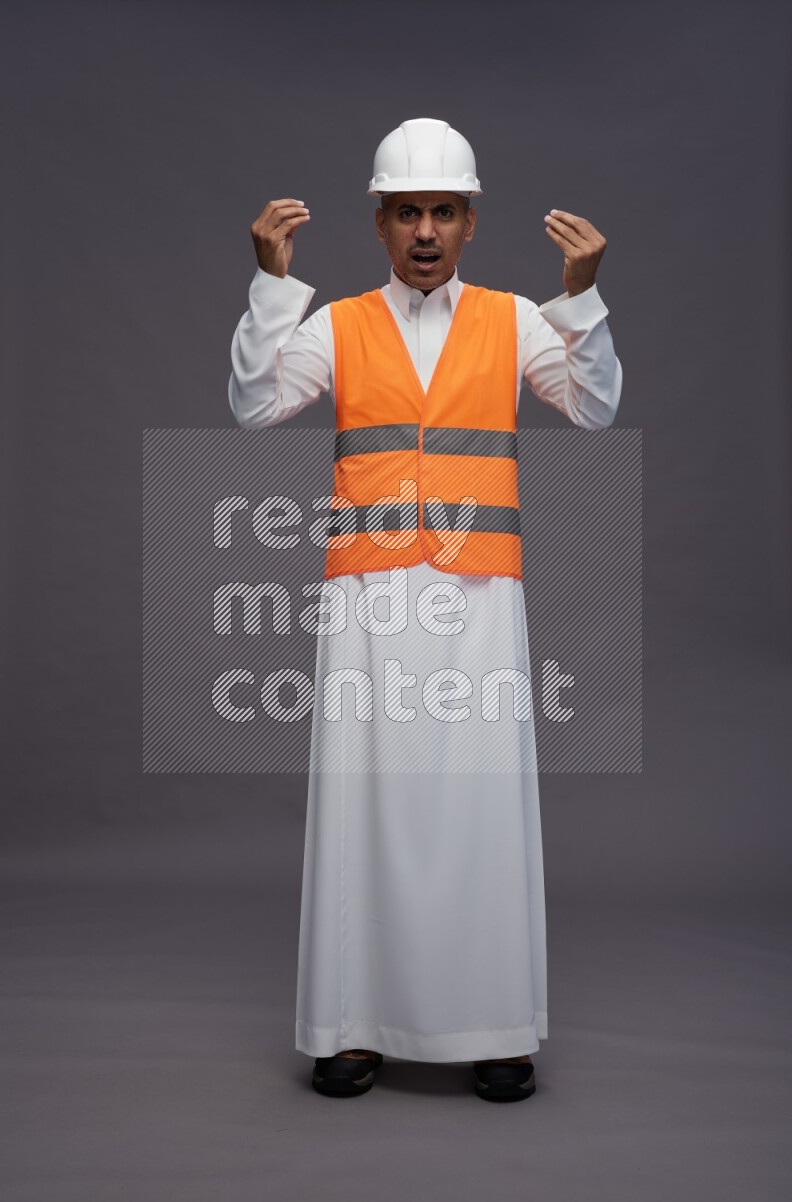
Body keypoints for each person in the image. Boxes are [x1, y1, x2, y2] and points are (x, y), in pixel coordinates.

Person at [228, 118, 622, 1103]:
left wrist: (579, 302)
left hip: (479, 594)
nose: (424, 229)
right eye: (407, 210)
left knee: (479, 803)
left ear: (470, 221)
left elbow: (592, 407)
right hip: (368, 592)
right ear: (379, 221)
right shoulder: (337, 323)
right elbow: (252, 404)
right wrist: (273, 285)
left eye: (443, 209)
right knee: (364, 802)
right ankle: (351, 1026)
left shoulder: (517, 318)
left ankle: (492, 1026)